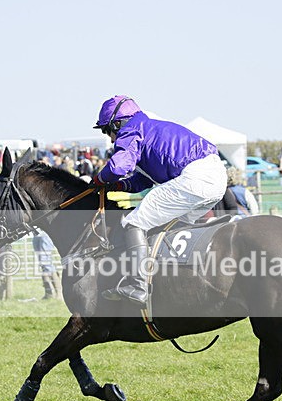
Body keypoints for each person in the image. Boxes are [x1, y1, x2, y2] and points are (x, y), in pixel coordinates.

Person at [91, 95, 227, 305]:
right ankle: (173, 284)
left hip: (195, 177)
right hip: (215, 178)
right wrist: (118, 185)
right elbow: (143, 180)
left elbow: (119, 167)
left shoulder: (131, 130)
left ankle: (138, 286)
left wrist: (99, 179)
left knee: (133, 222)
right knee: (168, 227)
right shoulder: (146, 129)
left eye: (106, 130)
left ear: (117, 123)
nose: (109, 138)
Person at [33, 230, 62, 300]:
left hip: (45, 233)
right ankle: (49, 293)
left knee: (45, 261)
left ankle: (59, 292)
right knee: (42, 263)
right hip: (35, 234)